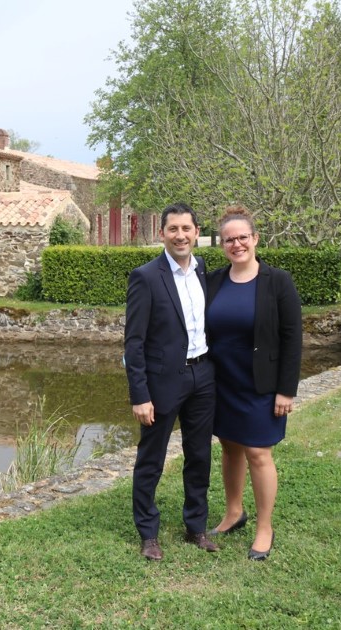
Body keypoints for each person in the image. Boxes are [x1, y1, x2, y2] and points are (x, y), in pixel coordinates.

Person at [205, 205, 302, 561]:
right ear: (222, 245)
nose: (237, 244)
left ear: (255, 238)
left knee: (259, 453)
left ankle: (264, 527)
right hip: (222, 381)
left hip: (261, 384)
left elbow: (292, 338)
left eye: (243, 237)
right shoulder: (214, 280)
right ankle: (234, 512)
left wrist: (286, 389)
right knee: (229, 448)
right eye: (229, 240)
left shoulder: (278, 282)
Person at [124, 202, 219, 561]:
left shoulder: (201, 270)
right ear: (161, 233)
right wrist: (140, 395)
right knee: (152, 458)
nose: (180, 235)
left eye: (186, 228)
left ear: (197, 233)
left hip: (203, 376)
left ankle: (196, 527)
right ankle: (148, 533)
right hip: (163, 381)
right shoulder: (146, 277)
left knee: (199, 455)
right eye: (173, 229)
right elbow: (133, 342)